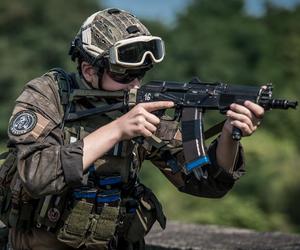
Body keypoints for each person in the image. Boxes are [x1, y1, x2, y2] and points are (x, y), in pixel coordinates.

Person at [2, 8, 264, 250]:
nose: (135, 85)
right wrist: (117, 130)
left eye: (141, 74)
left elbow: (206, 184)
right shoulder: (50, 95)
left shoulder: (140, 107)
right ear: (89, 70)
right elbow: (35, 175)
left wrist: (230, 135)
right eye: (125, 76)